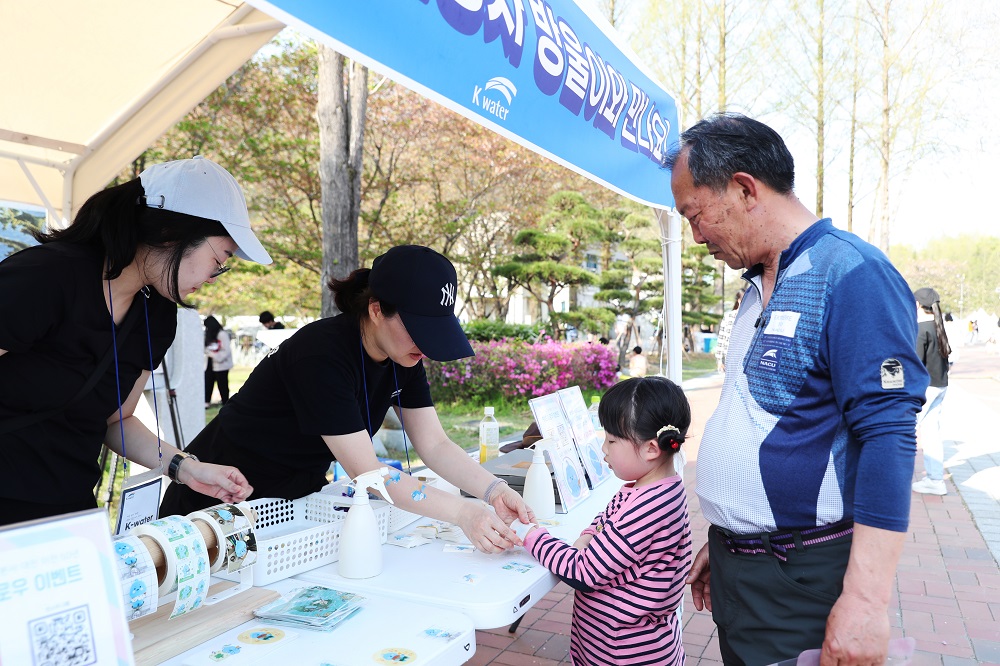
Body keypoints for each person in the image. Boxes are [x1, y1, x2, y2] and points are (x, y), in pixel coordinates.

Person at [665, 113, 928, 665]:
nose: (696, 236)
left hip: (798, 576)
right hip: (745, 565)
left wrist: (864, 600)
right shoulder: (759, 284)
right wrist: (733, 537)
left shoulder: (849, 273)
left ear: (743, 189)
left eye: (696, 214)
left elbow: (888, 438)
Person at [161, 245, 534, 552]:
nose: (426, 345)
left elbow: (435, 444)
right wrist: (463, 513)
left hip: (291, 500)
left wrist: (493, 490)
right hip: (215, 500)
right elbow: (369, 473)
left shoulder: (402, 356)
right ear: (376, 310)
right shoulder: (321, 354)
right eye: (419, 329)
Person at [0, 156, 270, 526]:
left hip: (68, 511)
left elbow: (119, 420)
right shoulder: (47, 276)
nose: (213, 277)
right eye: (219, 259)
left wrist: (188, 469)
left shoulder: (156, 313)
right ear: (173, 232)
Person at [510, 377, 692, 665]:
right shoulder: (650, 487)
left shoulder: (648, 508)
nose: (603, 449)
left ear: (651, 449)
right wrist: (587, 534)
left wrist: (530, 534)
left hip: (626, 653)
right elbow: (607, 517)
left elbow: (582, 572)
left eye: (611, 440)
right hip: (616, 644)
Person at [911, 287, 952, 496]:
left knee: (905, 431)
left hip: (926, 387)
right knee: (931, 433)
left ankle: (898, 478)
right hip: (940, 384)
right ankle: (935, 479)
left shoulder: (921, 329)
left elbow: (914, 364)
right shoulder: (938, 326)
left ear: (917, 304)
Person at [204, 315, 234, 407]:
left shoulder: (222, 334)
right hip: (209, 364)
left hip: (221, 365)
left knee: (223, 384)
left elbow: (226, 351)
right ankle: (206, 402)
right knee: (208, 383)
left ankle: (225, 402)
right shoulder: (207, 334)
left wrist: (214, 355)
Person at [714, 289, 744, 373]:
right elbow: (721, 338)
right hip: (729, 358)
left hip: (743, 359)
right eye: (742, 299)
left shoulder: (751, 318)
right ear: (738, 300)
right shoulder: (728, 316)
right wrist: (719, 360)